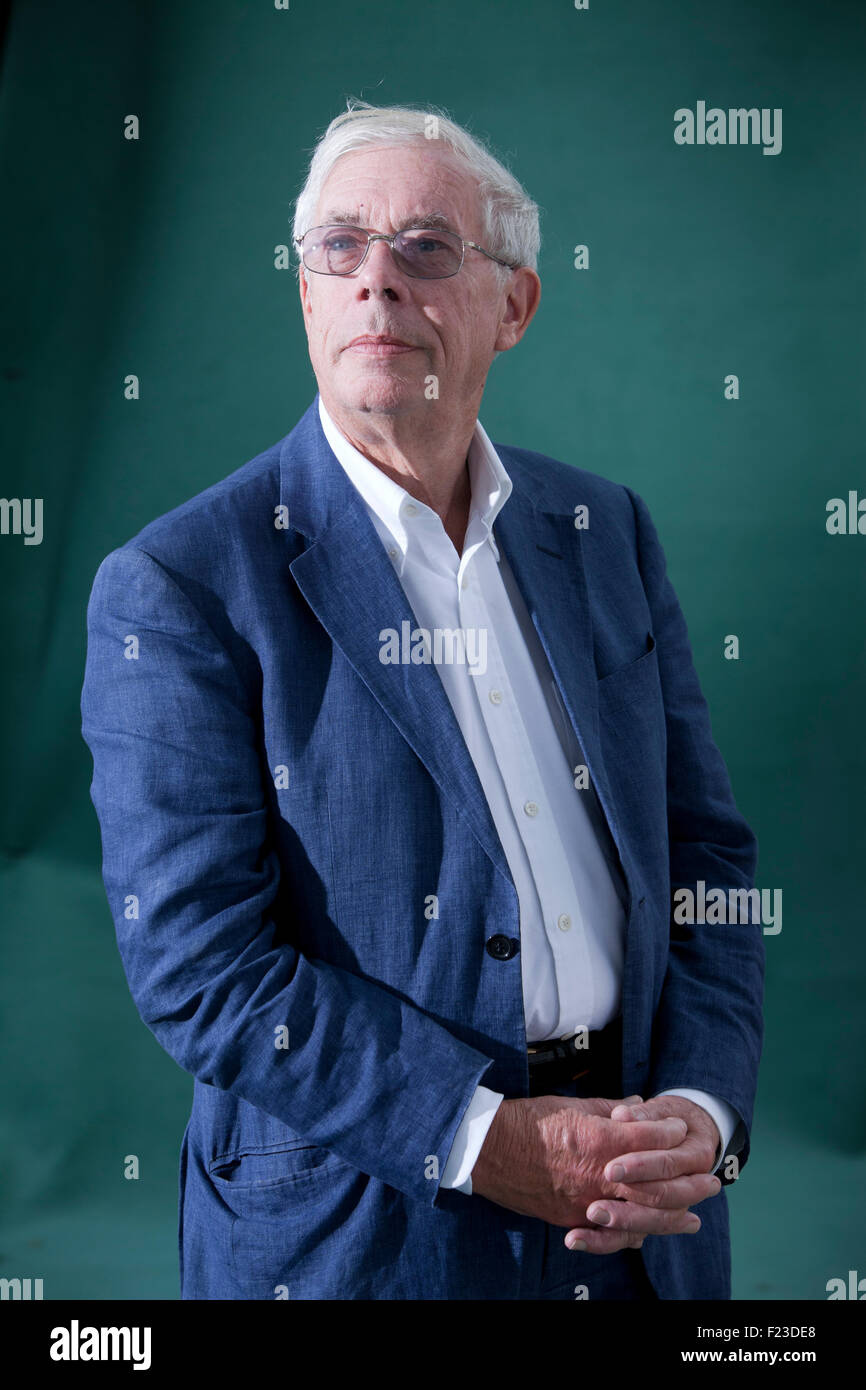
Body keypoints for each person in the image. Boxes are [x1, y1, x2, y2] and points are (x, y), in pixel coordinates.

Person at [80, 100, 764, 1301]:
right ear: (306, 294)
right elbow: (200, 962)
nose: (376, 280)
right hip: (363, 1234)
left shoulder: (602, 531)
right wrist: (486, 1139)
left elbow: (703, 855)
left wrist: (701, 1110)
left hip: (640, 1213)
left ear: (514, 306)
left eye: (426, 248)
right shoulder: (178, 585)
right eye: (339, 246)